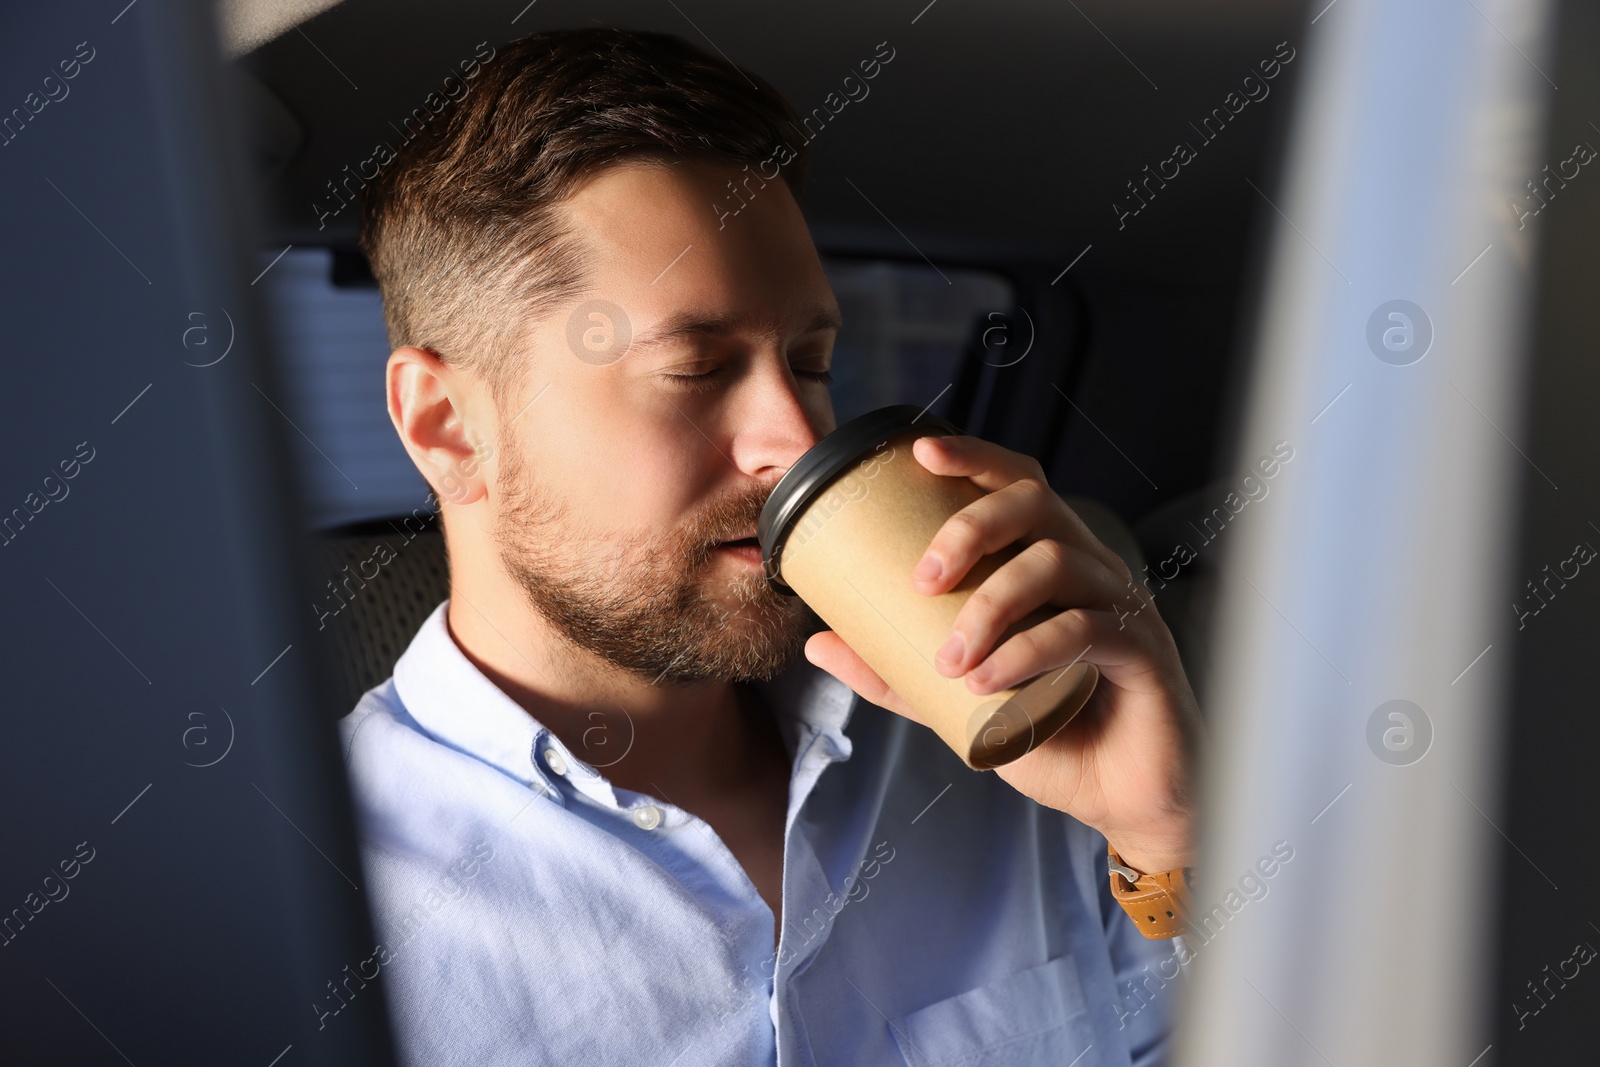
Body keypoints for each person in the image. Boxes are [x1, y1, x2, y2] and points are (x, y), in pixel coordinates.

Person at [340, 25, 1200, 1066]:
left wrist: (1172, 837)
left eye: (811, 360)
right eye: (697, 368)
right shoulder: (300, 914)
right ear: (444, 424)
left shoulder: (1009, 748)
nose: (796, 442)